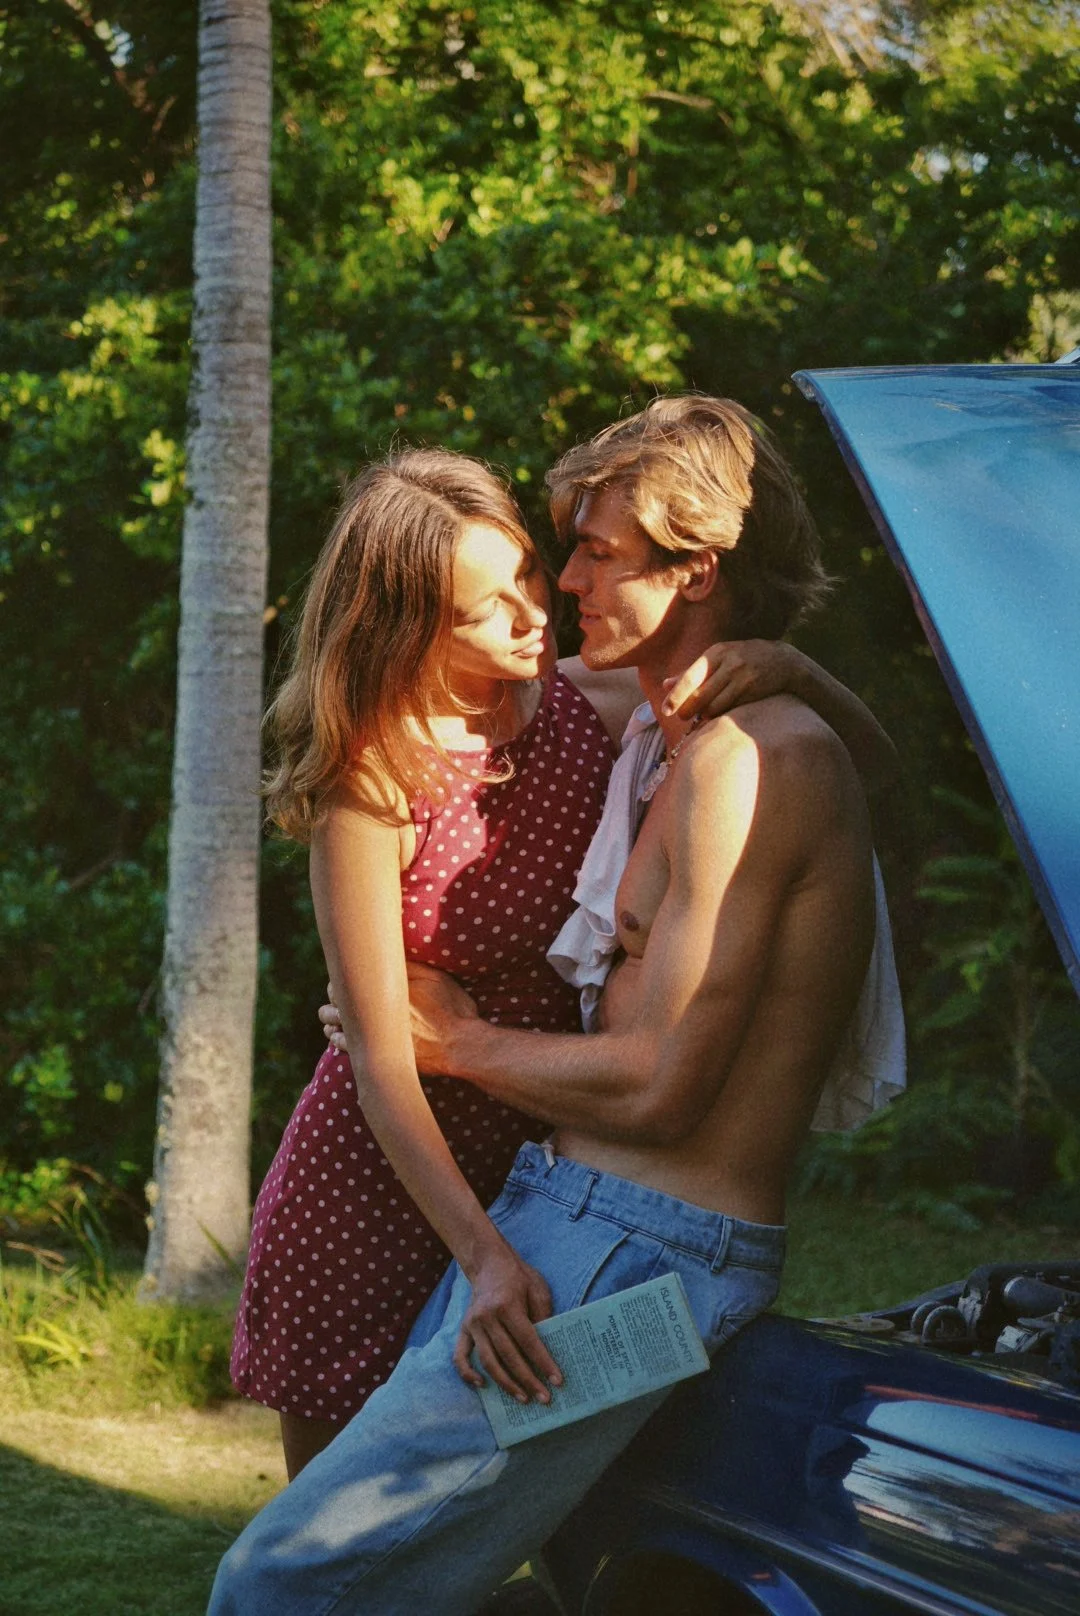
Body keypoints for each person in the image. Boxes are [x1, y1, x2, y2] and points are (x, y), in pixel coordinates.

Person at [210, 396, 901, 1615]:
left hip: (633, 1252)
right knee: (462, 1577)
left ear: (698, 570)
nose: (564, 582)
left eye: (590, 554)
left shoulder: (732, 755)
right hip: (545, 1215)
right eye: (549, 554)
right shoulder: (674, 727)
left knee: (284, 1581)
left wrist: (458, 1042)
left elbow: (660, 1081)